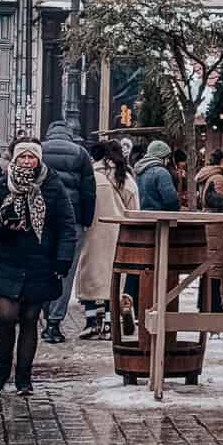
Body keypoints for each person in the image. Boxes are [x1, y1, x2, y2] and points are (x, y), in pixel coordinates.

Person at [0, 139, 76, 396]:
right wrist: (4, 229)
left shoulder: (53, 187)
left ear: (39, 160)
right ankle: (1, 371)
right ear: (15, 159)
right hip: (8, 262)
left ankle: (24, 377)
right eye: (23, 157)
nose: (27, 161)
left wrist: (63, 259)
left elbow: (66, 225)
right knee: (7, 316)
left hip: (40, 263)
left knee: (31, 318)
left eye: (32, 157)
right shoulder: (1, 187)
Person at [39, 117, 97, 344]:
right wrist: (86, 221)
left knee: (42, 266)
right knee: (66, 270)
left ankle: (43, 309)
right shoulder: (80, 153)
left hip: (42, 219)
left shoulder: (40, 150)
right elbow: (88, 191)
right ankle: (54, 322)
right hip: (70, 221)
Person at [74, 141, 138, 340]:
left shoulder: (90, 176)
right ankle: (111, 323)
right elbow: (135, 209)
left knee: (90, 276)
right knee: (114, 278)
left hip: (91, 232)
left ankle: (91, 322)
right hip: (119, 235)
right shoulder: (125, 178)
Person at [196, 148, 223, 315]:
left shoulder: (207, 176)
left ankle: (206, 303)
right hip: (217, 227)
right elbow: (222, 205)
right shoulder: (219, 178)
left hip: (209, 225)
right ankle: (213, 305)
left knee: (210, 266)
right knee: (216, 266)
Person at [135, 139, 179, 212]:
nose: (168, 161)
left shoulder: (139, 171)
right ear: (161, 157)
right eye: (167, 158)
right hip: (159, 218)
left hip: (141, 216)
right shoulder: (162, 172)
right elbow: (171, 201)